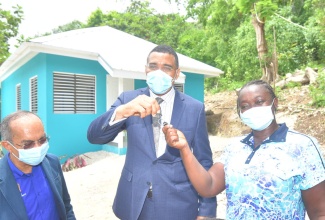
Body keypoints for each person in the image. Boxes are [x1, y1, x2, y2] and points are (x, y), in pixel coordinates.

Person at [87, 45, 216, 219]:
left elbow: (204, 160)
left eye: (167, 68)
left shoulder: (194, 108)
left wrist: (207, 211)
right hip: (134, 202)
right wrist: (123, 111)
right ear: (146, 69)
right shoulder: (128, 100)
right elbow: (94, 136)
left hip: (178, 203)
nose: (158, 72)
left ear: (176, 73)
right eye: (153, 66)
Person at [163, 79, 325, 219]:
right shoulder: (234, 148)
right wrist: (184, 149)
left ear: (274, 103)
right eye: (245, 106)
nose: (252, 109)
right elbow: (209, 186)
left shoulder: (303, 146)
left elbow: (319, 212)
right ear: (240, 114)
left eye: (259, 101)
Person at [0, 110, 76, 220]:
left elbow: (66, 206)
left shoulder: (52, 163)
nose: (37, 148)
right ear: (7, 146)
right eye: (28, 144)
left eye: (42, 140)